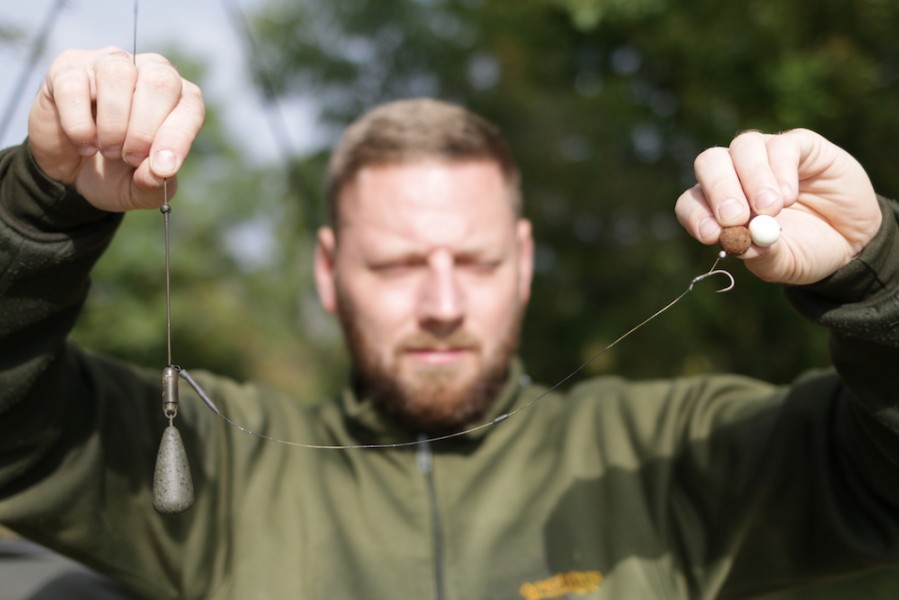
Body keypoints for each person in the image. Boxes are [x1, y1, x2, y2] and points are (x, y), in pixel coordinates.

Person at [0, 46, 897, 600]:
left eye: (472, 261)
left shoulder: (667, 451)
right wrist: (39, 210)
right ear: (327, 270)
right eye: (395, 263)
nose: (440, 302)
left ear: (524, 259)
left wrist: (873, 272)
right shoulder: (218, 460)